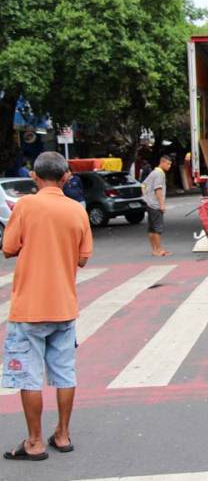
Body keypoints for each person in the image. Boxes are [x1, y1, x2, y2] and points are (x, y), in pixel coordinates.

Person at [2, 152, 93, 461]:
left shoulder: (26, 206)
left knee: (29, 377)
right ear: (66, 177)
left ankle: (35, 441)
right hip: (64, 307)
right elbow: (82, 258)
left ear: (34, 176)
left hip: (29, 308)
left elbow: (8, 248)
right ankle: (63, 435)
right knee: (65, 374)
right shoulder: (77, 211)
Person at [141, 155, 172, 257]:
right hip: (155, 205)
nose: (169, 166)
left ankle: (155, 250)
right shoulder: (159, 174)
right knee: (157, 228)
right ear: (162, 162)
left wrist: (147, 198)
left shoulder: (153, 173)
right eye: (168, 164)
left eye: (170, 164)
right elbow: (158, 189)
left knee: (151, 228)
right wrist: (162, 205)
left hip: (150, 204)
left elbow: (143, 185)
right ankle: (159, 250)